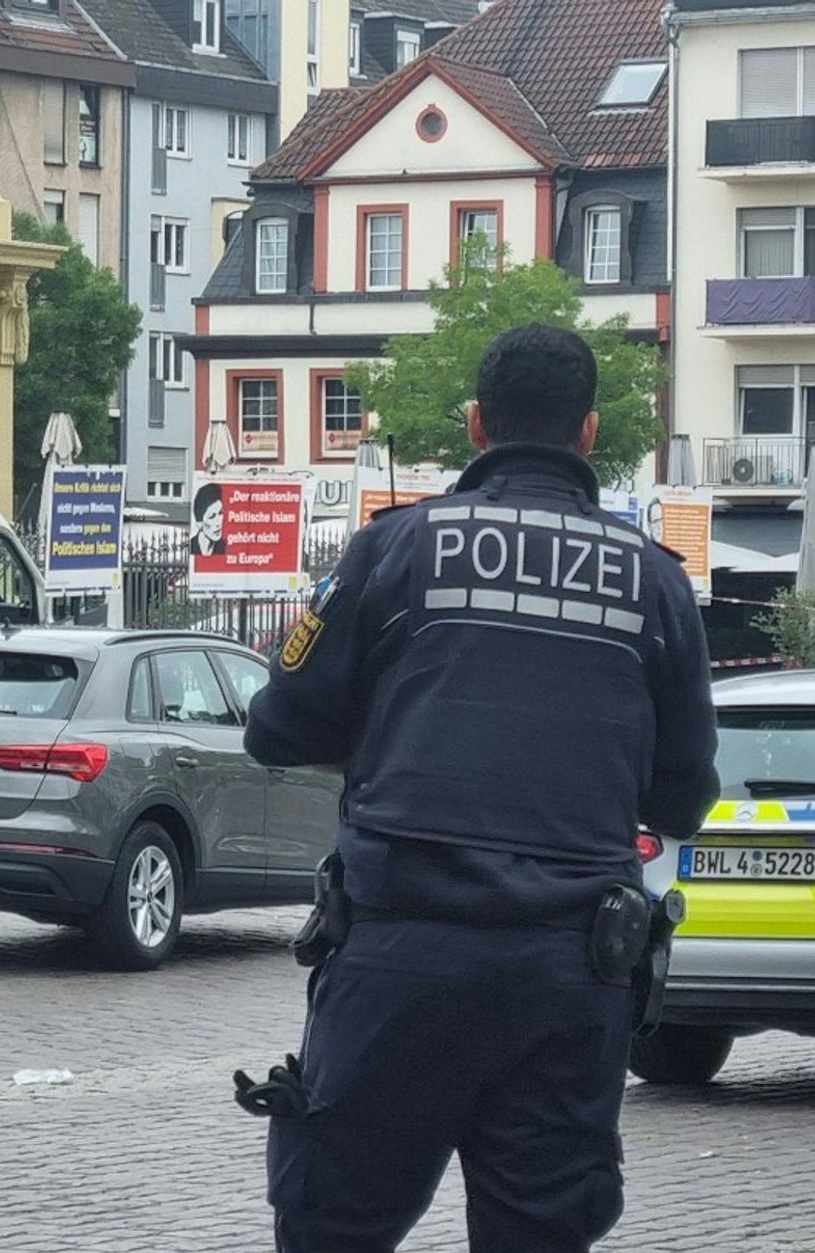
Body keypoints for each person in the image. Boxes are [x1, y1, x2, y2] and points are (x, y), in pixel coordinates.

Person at [241, 324, 720, 1252]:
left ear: (473, 424)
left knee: (334, 1223)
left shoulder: (392, 552)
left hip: (398, 960)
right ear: (587, 431)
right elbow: (681, 802)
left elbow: (276, 726)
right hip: (568, 972)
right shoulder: (657, 587)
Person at [191, 482, 225, 558]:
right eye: (212, 517)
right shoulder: (191, 547)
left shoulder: (225, 548)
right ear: (199, 523)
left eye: (220, 513)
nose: (218, 523)